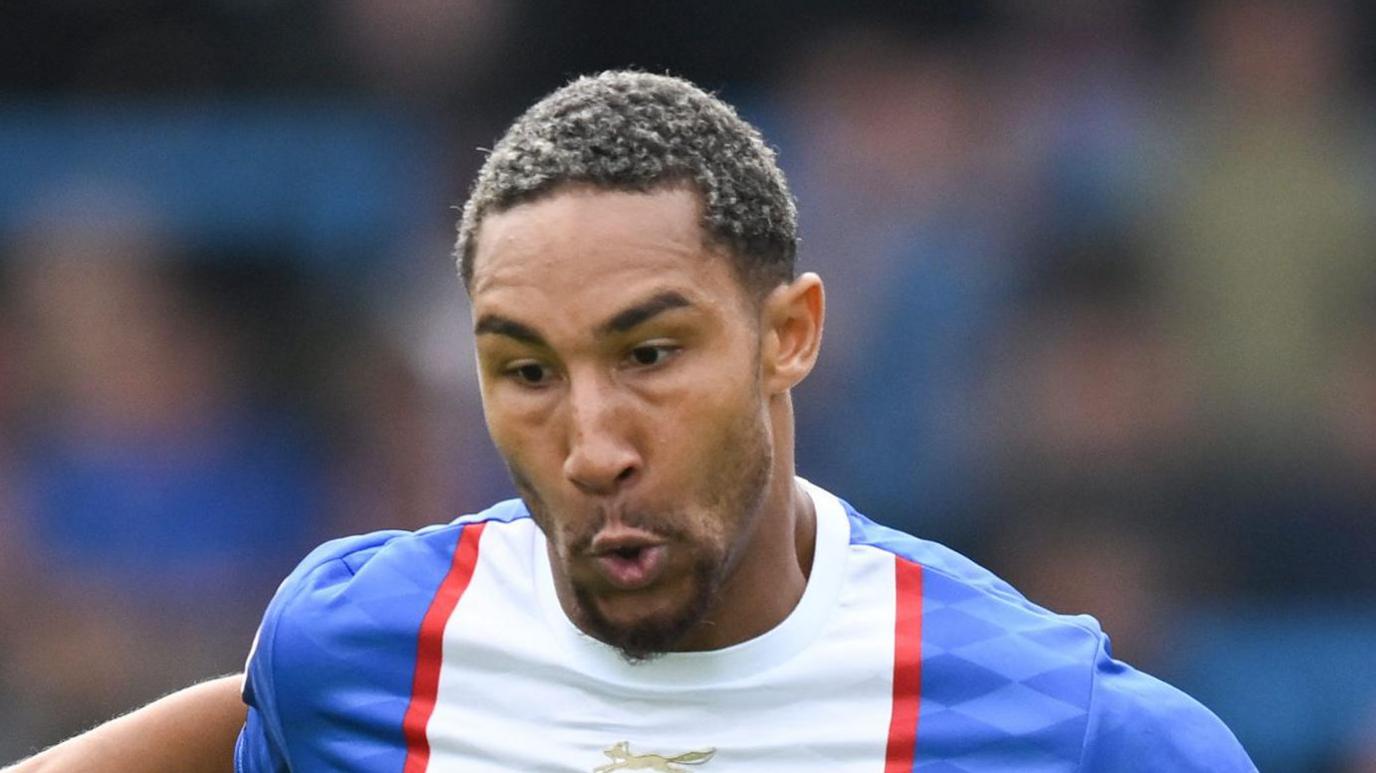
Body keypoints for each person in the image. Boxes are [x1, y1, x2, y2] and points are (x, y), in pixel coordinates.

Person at [4, 71, 1256, 772]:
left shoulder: (1057, 720)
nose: (592, 441)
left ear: (788, 334)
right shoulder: (361, 650)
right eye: (526, 369)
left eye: (650, 353)